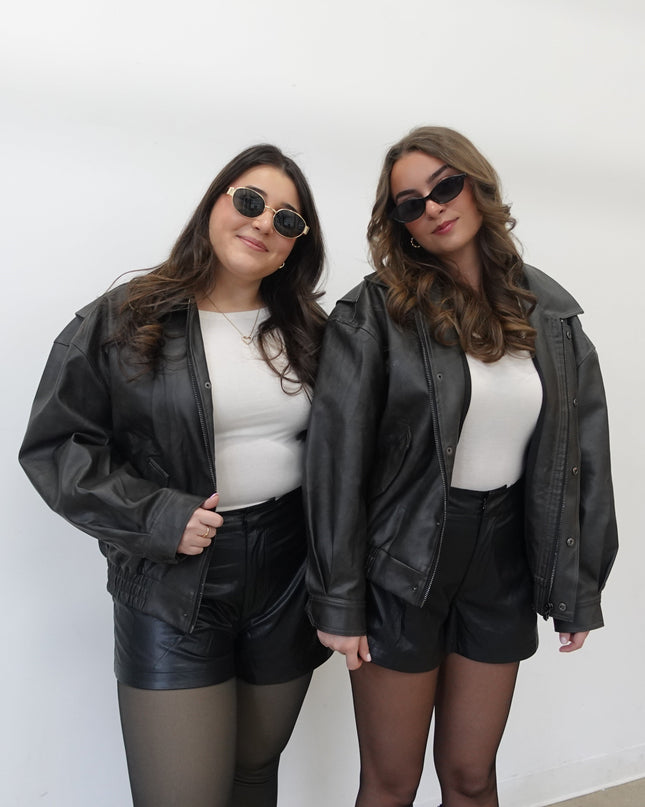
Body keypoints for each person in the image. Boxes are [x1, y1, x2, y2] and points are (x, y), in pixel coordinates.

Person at [304, 126, 617, 807]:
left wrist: (577, 582)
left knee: (472, 777)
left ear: (476, 185)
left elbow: (583, 455)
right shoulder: (374, 313)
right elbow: (335, 462)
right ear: (399, 225)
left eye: (445, 186)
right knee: (390, 783)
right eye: (410, 204)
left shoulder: (549, 313)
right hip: (400, 561)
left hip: (499, 559)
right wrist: (339, 596)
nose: (434, 207)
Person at [19, 143, 331, 807]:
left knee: (253, 776)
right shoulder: (127, 317)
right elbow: (56, 445)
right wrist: (154, 515)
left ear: (294, 246)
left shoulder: (310, 330)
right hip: (172, 583)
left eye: (286, 219)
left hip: (286, 577)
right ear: (214, 204)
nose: (262, 222)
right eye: (249, 200)